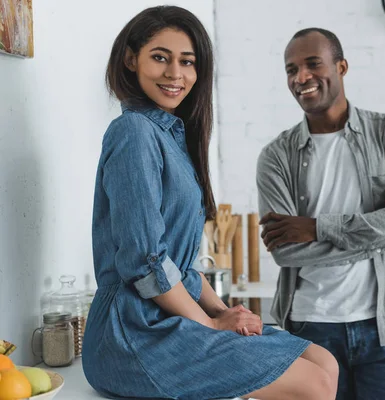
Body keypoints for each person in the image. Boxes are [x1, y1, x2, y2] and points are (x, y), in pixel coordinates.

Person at [82, 8, 338, 400]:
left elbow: (179, 266)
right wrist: (209, 324)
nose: (175, 74)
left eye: (188, 62)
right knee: (315, 384)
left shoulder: (171, 137)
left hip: (165, 317)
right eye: (160, 57)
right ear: (131, 59)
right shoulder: (133, 132)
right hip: (133, 332)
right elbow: (145, 262)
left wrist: (223, 312)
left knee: (325, 363)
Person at [256, 27, 385, 400]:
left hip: (384, 330)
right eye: (291, 69)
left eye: (312, 64)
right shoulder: (276, 157)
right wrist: (383, 222)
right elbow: (286, 251)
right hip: (310, 331)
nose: (300, 77)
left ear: (341, 66)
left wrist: (318, 227)